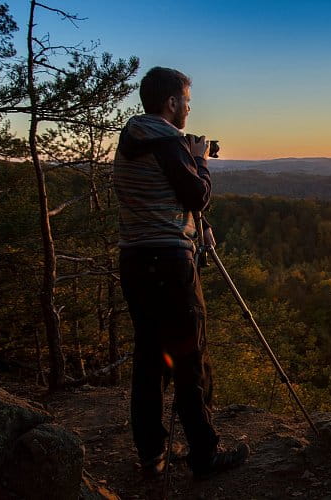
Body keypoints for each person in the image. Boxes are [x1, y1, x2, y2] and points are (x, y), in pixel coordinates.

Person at [114, 66, 249, 479]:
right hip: (169, 265)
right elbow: (197, 195)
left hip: (135, 259)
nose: (189, 109)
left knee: (150, 358)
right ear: (171, 103)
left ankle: (151, 453)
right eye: (187, 102)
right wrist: (200, 161)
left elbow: (163, 194)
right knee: (190, 358)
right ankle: (205, 454)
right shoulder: (168, 141)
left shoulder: (131, 139)